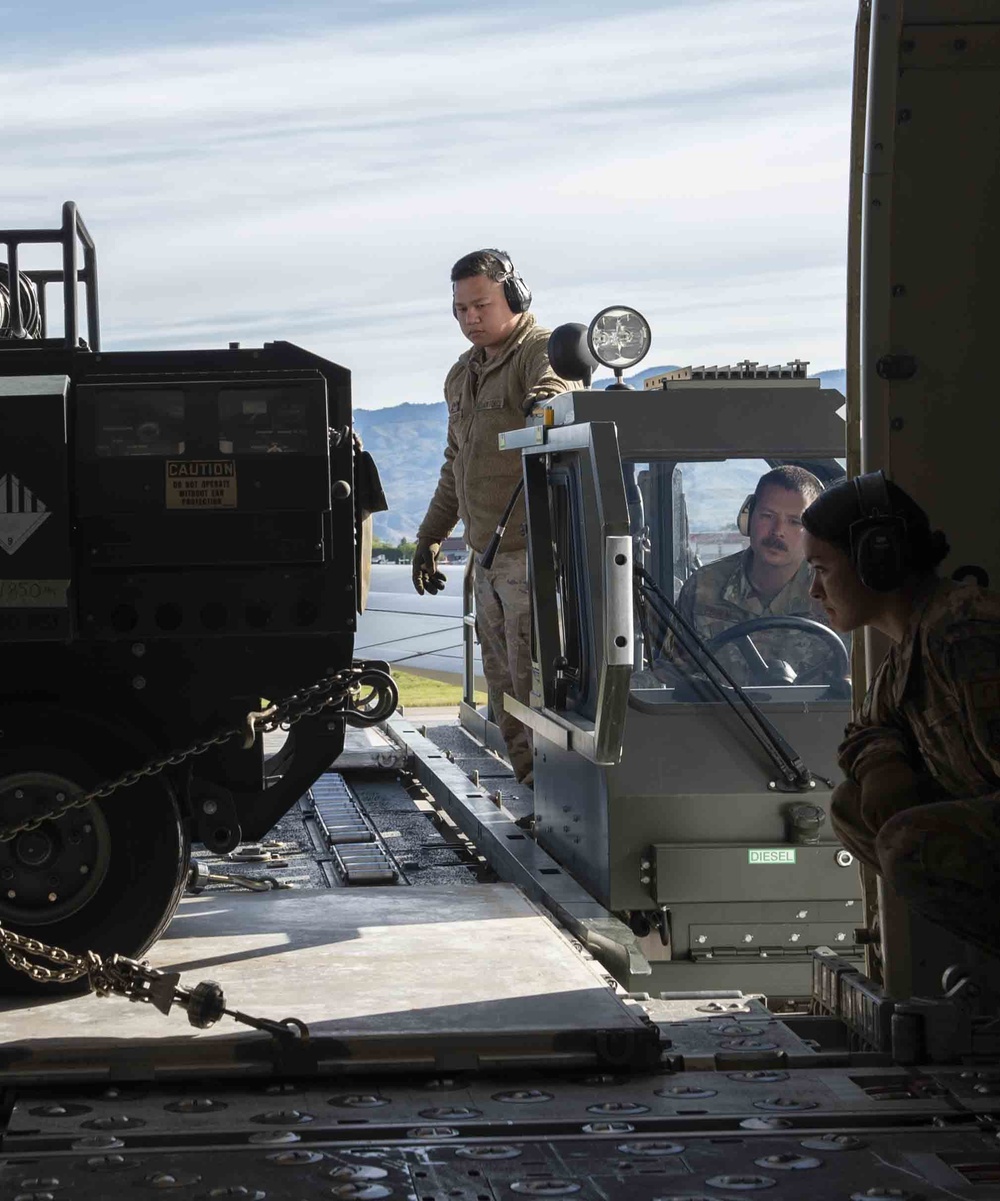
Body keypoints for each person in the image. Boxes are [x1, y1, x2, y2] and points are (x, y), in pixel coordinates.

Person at [802, 470, 1000, 958]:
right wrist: (881, 765)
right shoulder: (912, 645)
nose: (814, 592)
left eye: (823, 569)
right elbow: (868, 727)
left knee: (909, 841)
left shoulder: (964, 636)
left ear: (878, 559)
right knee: (852, 805)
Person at [412, 249, 580, 785]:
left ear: (514, 296)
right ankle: (530, 787)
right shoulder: (461, 375)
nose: (470, 319)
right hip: (487, 559)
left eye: (480, 305)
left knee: (538, 687)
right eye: (460, 310)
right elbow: (455, 464)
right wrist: (431, 536)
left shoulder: (540, 349)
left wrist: (542, 405)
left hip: (533, 556)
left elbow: (558, 389)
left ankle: (555, 795)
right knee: (504, 688)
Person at [663, 465, 838, 684]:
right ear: (748, 518)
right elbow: (668, 675)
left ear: (814, 532)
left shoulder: (834, 592)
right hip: (717, 717)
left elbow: (858, 679)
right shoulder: (703, 588)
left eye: (794, 522)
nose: (777, 531)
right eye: (767, 515)